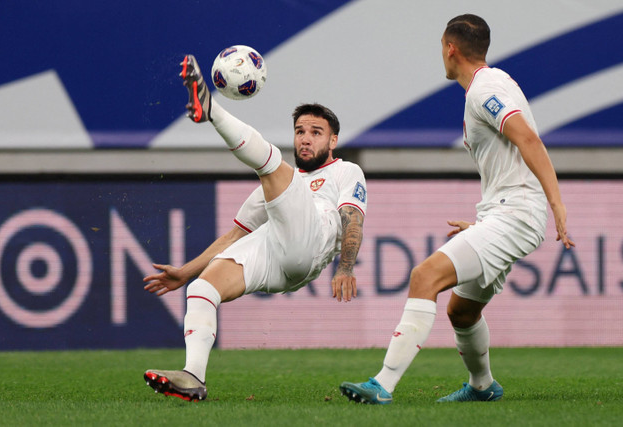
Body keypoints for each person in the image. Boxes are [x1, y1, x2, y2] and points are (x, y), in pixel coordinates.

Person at [340, 14, 575, 405]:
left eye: (441, 49)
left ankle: (382, 384)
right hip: (505, 213)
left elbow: (529, 140)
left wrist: (556, 203)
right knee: (462, 312)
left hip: (517, 213)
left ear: (450, 49)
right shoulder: (494, 84)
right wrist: (486, 223)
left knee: (424, 276)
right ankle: (483, 386)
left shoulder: (485, 90)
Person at [142, 54, 367, 402]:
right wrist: (184, 273)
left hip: (312, 241)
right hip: (278, 255)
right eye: (300, 131)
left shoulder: (344, 171)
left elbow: (353, 220)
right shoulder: (279, 185)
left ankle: (210, 109)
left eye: (316, 133)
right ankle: (193, 377)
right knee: (203, 289)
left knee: (271, 164)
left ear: (333, 141)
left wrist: (346, 267)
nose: (305, 139)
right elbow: (235, 235)